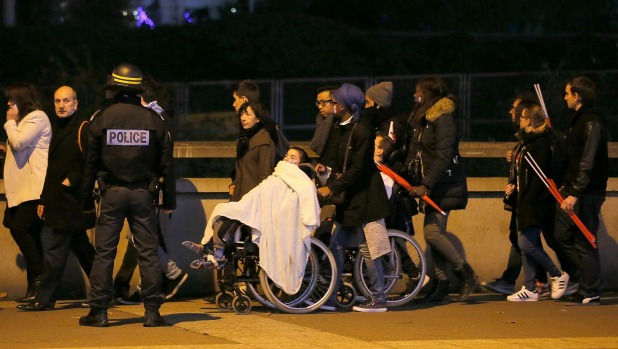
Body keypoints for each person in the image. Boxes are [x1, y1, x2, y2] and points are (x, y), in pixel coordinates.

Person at [78, 63, 176, 327]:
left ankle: (99, 311)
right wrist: (170, 199)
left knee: (104, 252)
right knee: (148, 252)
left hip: (111, 194)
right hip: (144, 194)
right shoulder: (153, 120)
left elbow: (90, 162)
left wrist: (85, 198)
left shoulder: (102, 118)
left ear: (115, 88)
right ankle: (152, 312)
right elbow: (167, 162)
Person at [184, 147, 320, 292]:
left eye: (293, 156)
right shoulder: (278, 174)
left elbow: (306, 197)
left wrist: (309, 219)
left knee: (230, 213)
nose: (287, 158)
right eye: (286, 155)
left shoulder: (299, 180)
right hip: (256, 208)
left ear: (300, 163)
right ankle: (212, 249)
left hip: (269, 218)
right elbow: (261, 192)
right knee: (223, 211)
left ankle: (215, 252)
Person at [17, 86, 96, 311]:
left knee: (55, 251)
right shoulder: (59, 128)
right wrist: (44, 199)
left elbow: (90, 161)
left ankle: (45, 299)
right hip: (61, 201)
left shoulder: (82, 128)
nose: (61, 105)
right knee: (83, 250)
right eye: (57, 101)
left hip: (71, 201)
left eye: (66, 101)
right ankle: (105, 291)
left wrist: (70, 180)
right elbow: (52, 170)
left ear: (76, 104)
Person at [316, 83, 391, 313]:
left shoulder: (362, 129)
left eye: (336, 102)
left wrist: (333, 187)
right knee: (337, 245)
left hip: (367, 197)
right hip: (351, 198)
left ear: (346, 106)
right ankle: (331, 295)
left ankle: (379, 298)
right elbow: (341, 160)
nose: (332, 105)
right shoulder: (342, 126)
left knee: (369, 248)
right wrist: (325, 169)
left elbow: (358, 168)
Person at [113, 77, 188, 305]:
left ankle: (171, 274)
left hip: (148, 187)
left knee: (141, 237)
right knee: (143, 237)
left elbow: (159, 158)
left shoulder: (153, 119)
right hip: (152, 187)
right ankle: (143, 286)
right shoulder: (160, 117)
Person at [405, 76, 475, 304]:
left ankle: (465, 273)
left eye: (417, 91)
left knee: (432, 233)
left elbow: (444, 155)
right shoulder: (423, 119)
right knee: (432, 236)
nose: (414, 95)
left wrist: (426, 184)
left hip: (443, 185)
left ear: (427, 93)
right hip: (433, 184)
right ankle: (442, 284)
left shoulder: (442, 118)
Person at [505, 103, 570, 302]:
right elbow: (524, 174)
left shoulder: (539, 144)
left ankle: (557, 274)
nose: (520, 120)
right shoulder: (527, 142)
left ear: (531, 121)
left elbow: (539, 179)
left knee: (525, 242)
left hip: (534, 202)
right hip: (525, 200)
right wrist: (514, 188)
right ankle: (530, 287)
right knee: (527, 243)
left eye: (524, 117)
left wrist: (529, 198)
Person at [555, 76, 608, 305]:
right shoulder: (579, 121)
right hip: (577, 188)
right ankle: (586, 282)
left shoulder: (590, 122)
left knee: (585, 239)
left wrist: (575, 192)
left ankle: (591, 288)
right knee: (561, 234)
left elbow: (586, 161)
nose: (564, 97)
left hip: (587, 191)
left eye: (567, 93)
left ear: (577, 96)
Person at [3, 83, 51, 303]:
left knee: (21, 228)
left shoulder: (37, 117)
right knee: (23, 230)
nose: (8, 106)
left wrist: (11, 123)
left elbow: (20, 142)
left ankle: (40, 282)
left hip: (33, 190)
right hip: (22, 190)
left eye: (11, 102)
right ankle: (37, 285)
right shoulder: (24, 121)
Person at [310, 84, 340, 158]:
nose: (320, 107)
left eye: (323, 103)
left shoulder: (342, 123)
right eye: (318, 103)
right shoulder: (321, 120)